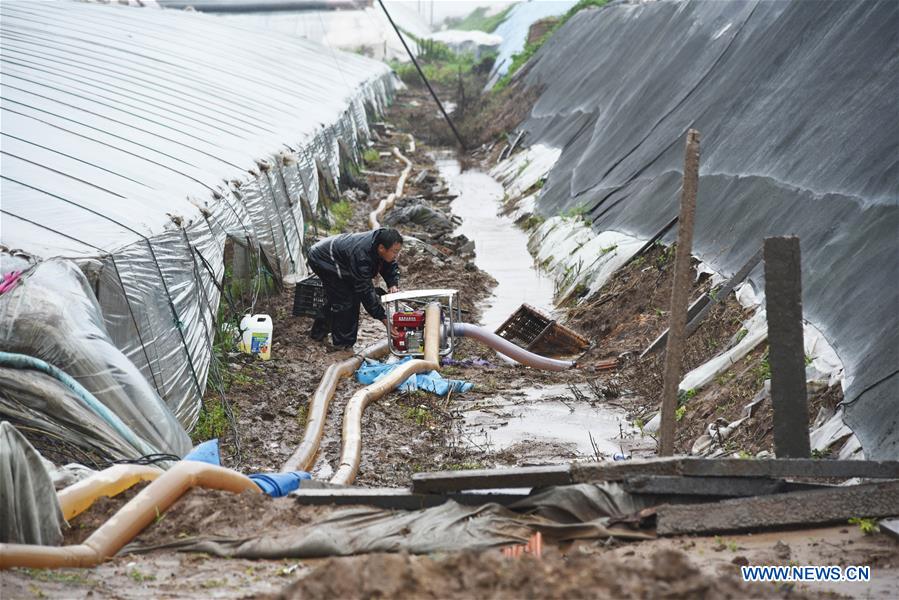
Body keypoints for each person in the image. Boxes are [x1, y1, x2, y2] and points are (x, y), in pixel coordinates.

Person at [306, 228, 402, 350]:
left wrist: (392, 283)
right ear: (381, 248)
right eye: (395, 252)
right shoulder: (362, 255)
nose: (396, 255)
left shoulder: (380, 244)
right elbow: (365, 290)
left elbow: (389, 263)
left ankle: (318, 333)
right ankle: (342, 345)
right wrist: (384, 319)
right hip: (324, 258)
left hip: (340, 257)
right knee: (346, 300)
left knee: (340, 297)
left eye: (398, 251)